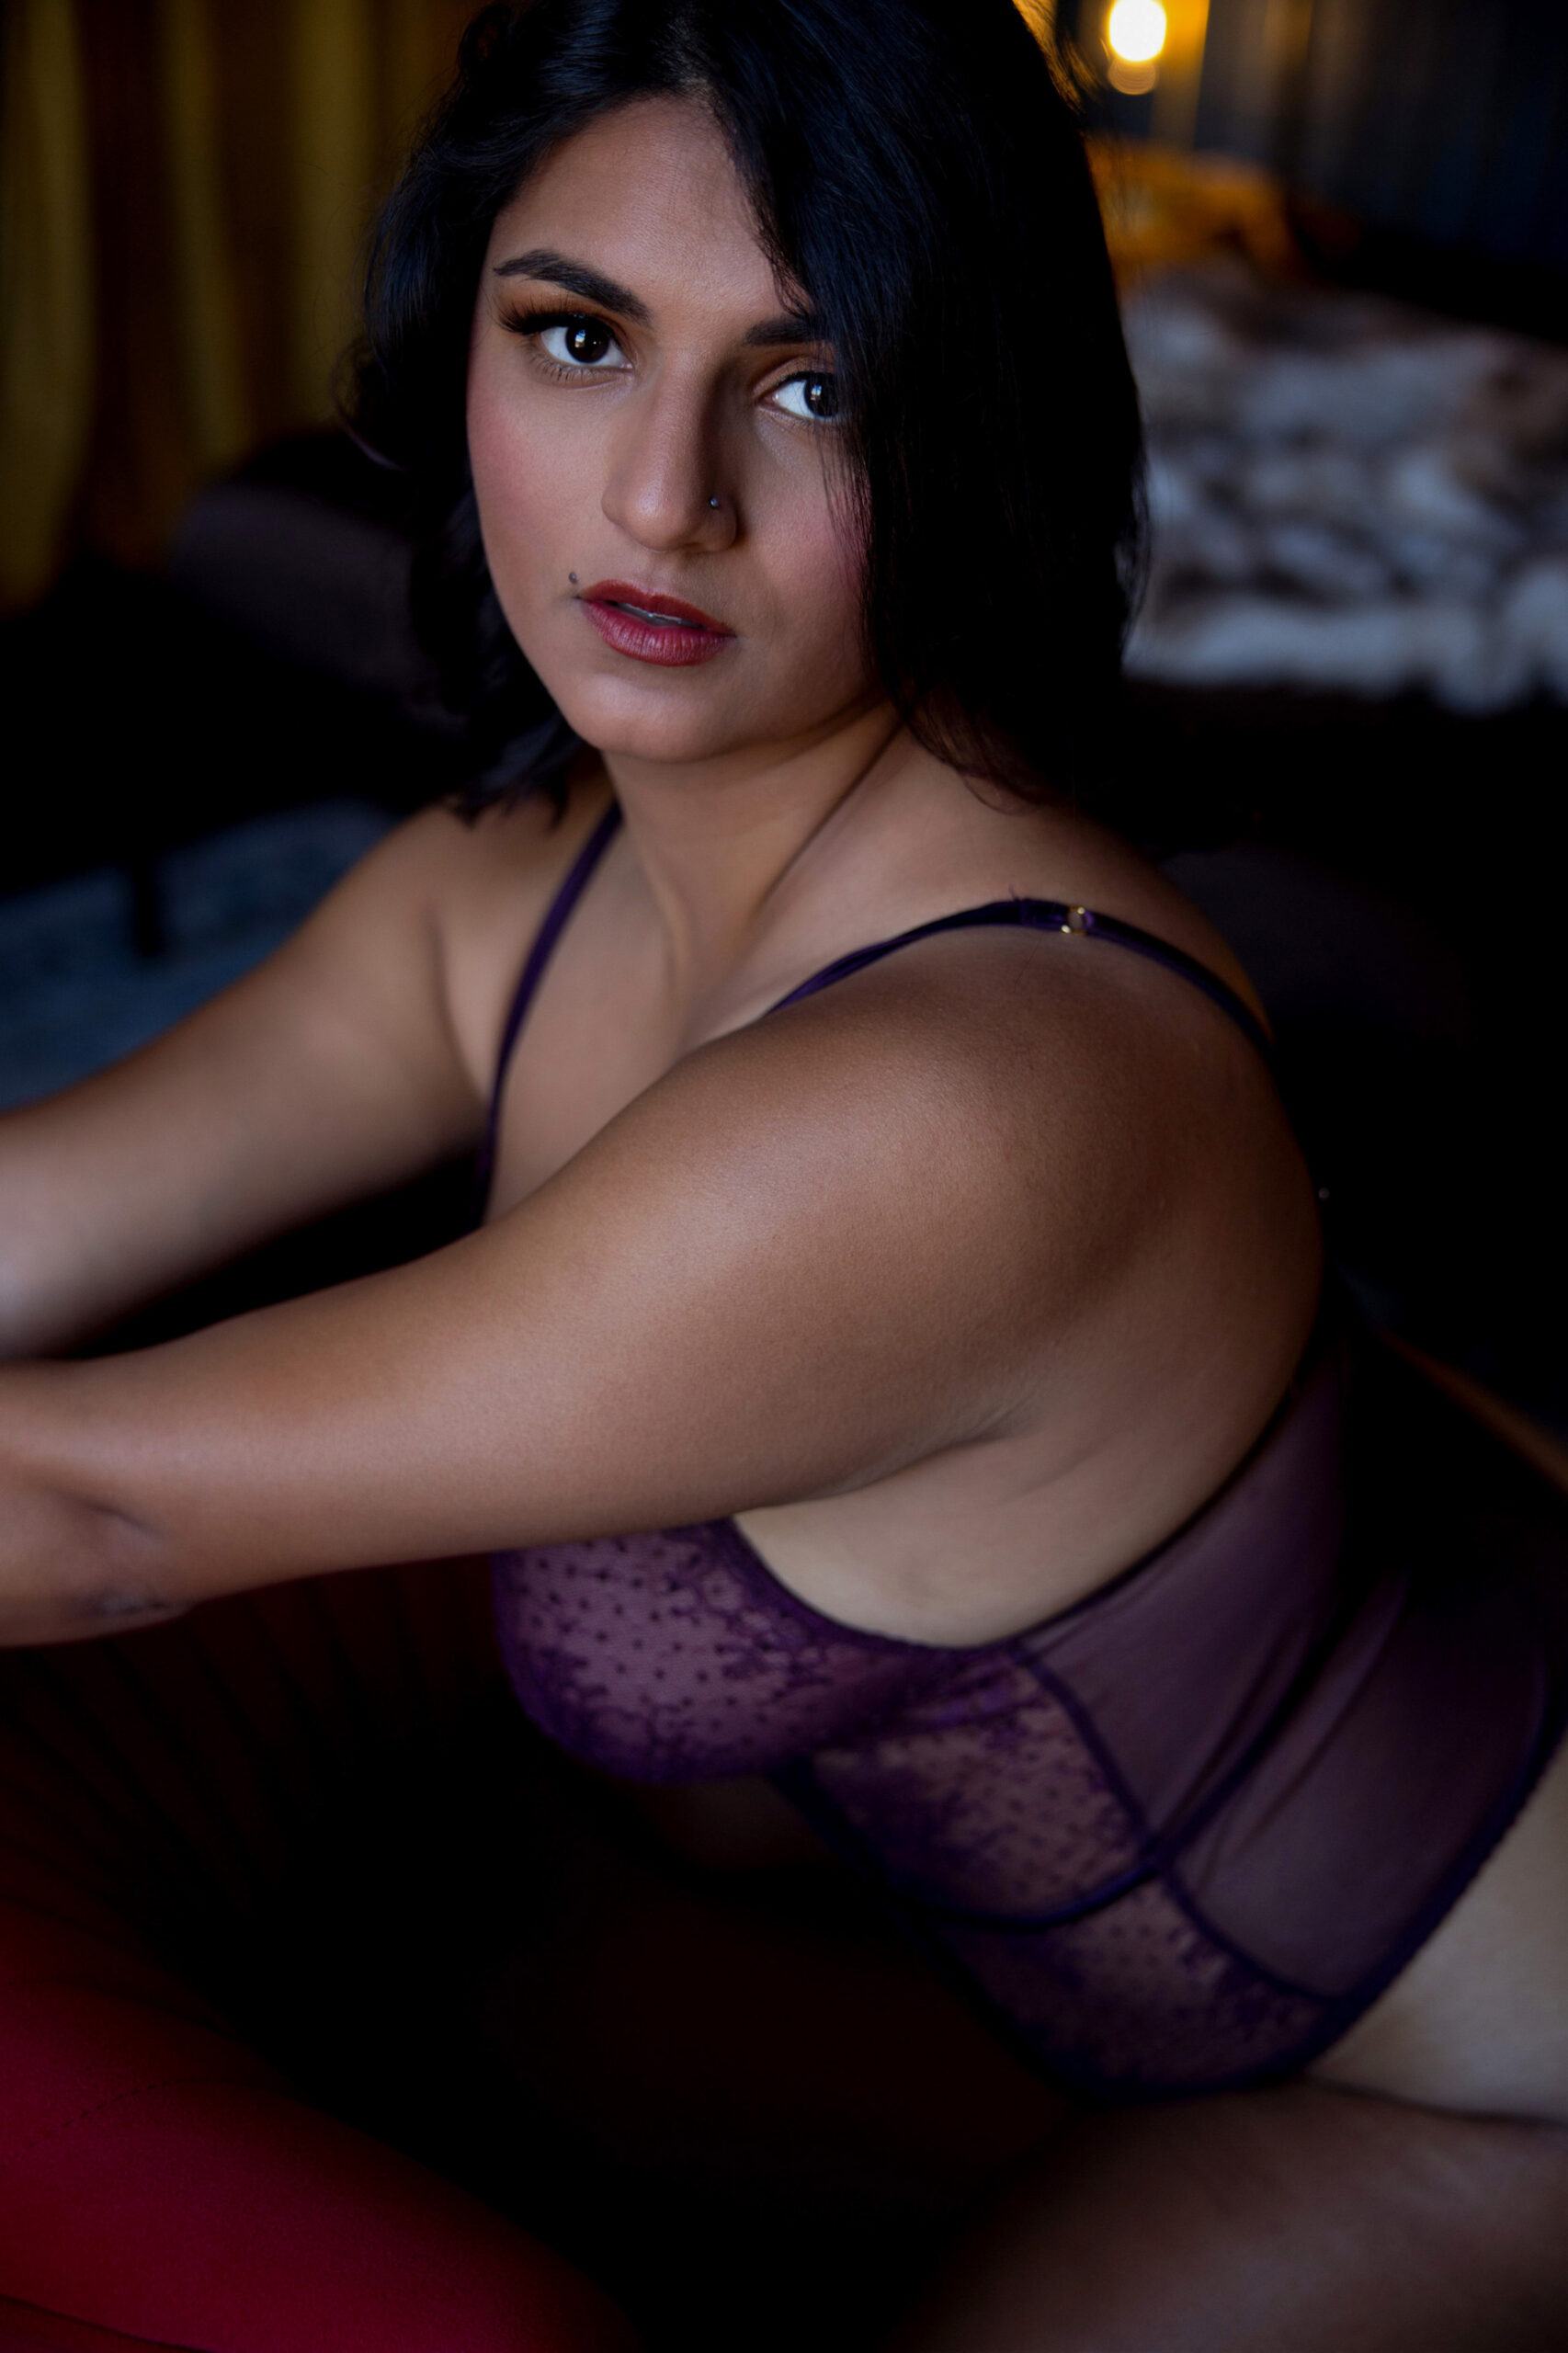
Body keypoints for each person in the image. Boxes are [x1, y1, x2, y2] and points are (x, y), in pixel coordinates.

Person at [3, 2, 1567, 2346]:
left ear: (980, 435)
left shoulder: (953, 1102)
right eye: (578, 337)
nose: (662, 499)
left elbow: (96, 1517)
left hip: (1484, 2087)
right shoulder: (499, 895)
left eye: (813, 386)